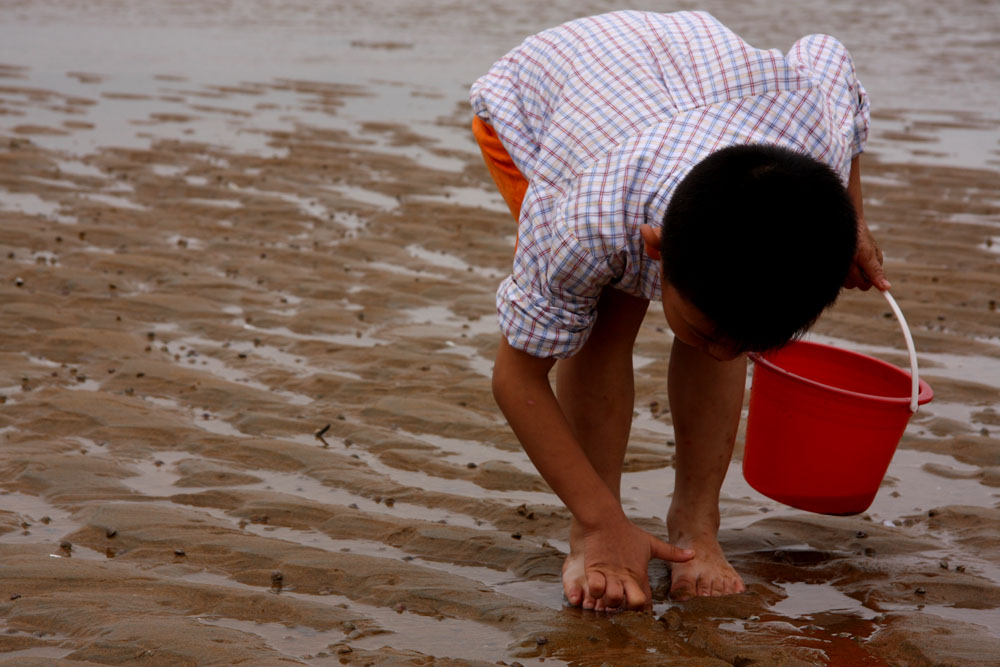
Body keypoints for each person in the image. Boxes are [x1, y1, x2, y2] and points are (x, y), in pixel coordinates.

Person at [470, 10, 888, 612]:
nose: (725, 354)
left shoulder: (814, 125)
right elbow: (517, 376)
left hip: (697, 87)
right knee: (604, 323)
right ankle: (596, 535)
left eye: (748, 347)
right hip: (545, 101)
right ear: (656, 246)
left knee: (724, 321)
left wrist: (852, 220)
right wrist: (598, 518)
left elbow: (830, 58)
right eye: (709, 331)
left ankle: (697, 523)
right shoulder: (580, 218)